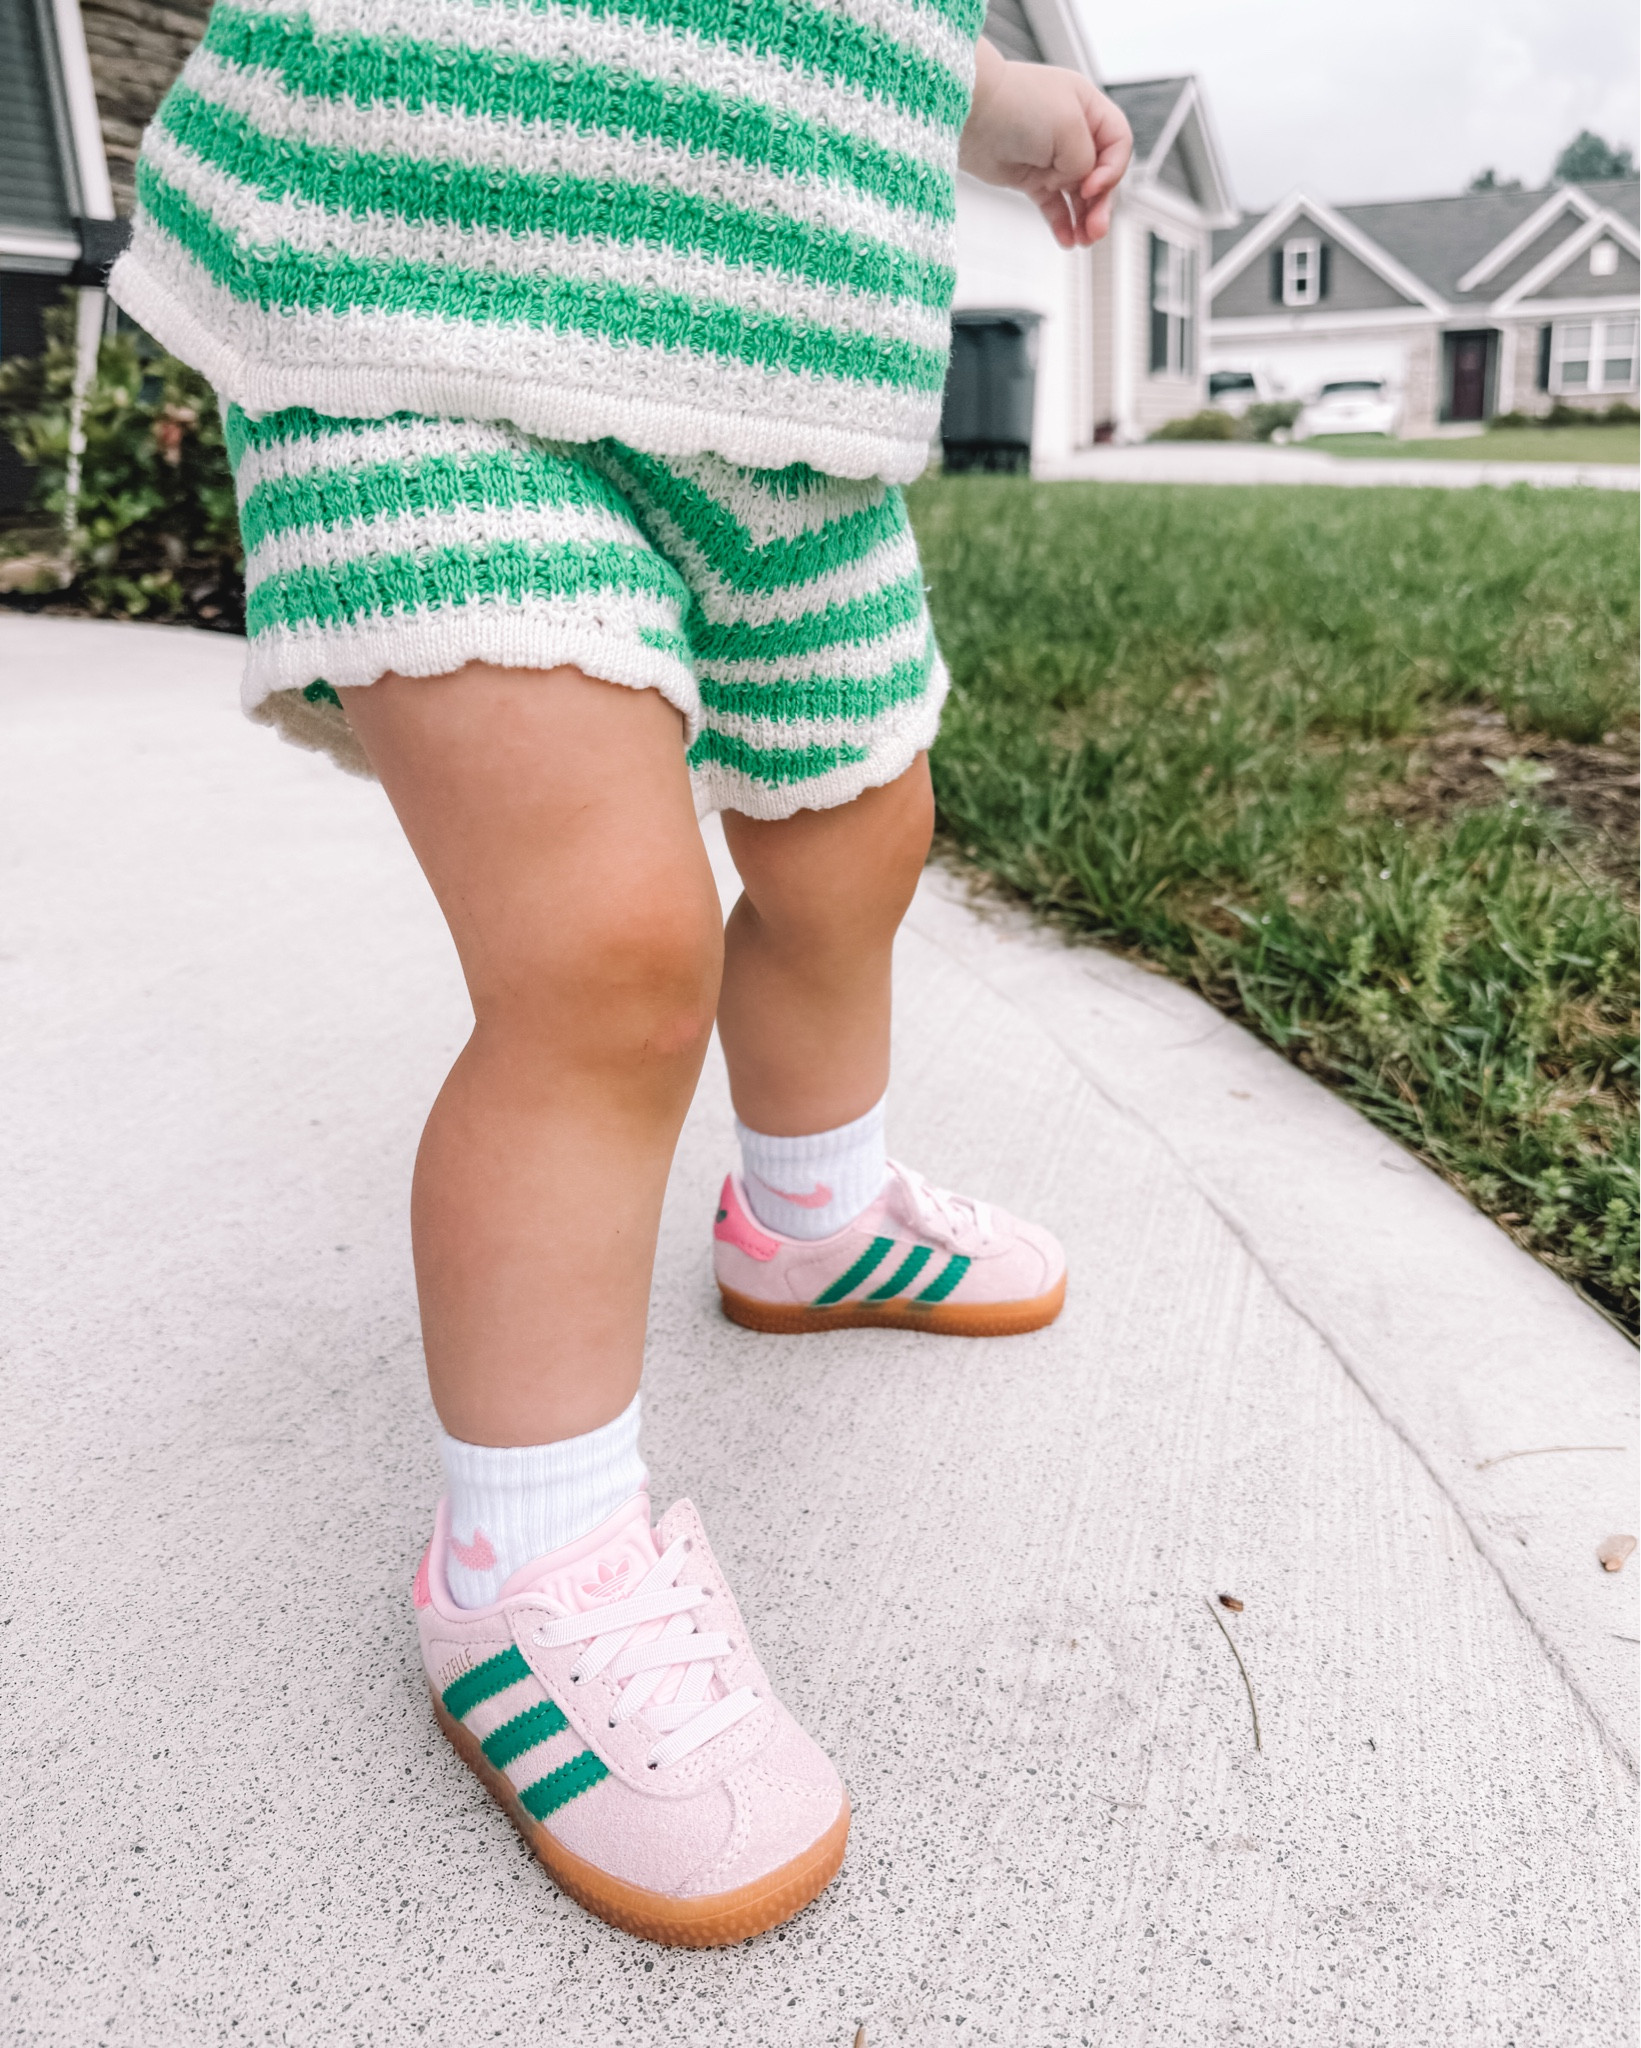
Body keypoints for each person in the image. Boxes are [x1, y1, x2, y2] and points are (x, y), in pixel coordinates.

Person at [110, 8, 1131, 1947]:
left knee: (855, 840)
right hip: (426, 314)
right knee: (603, 958)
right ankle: (531, 1557)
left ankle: (810, 1217)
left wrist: (1021, 109)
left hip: (788, 400)